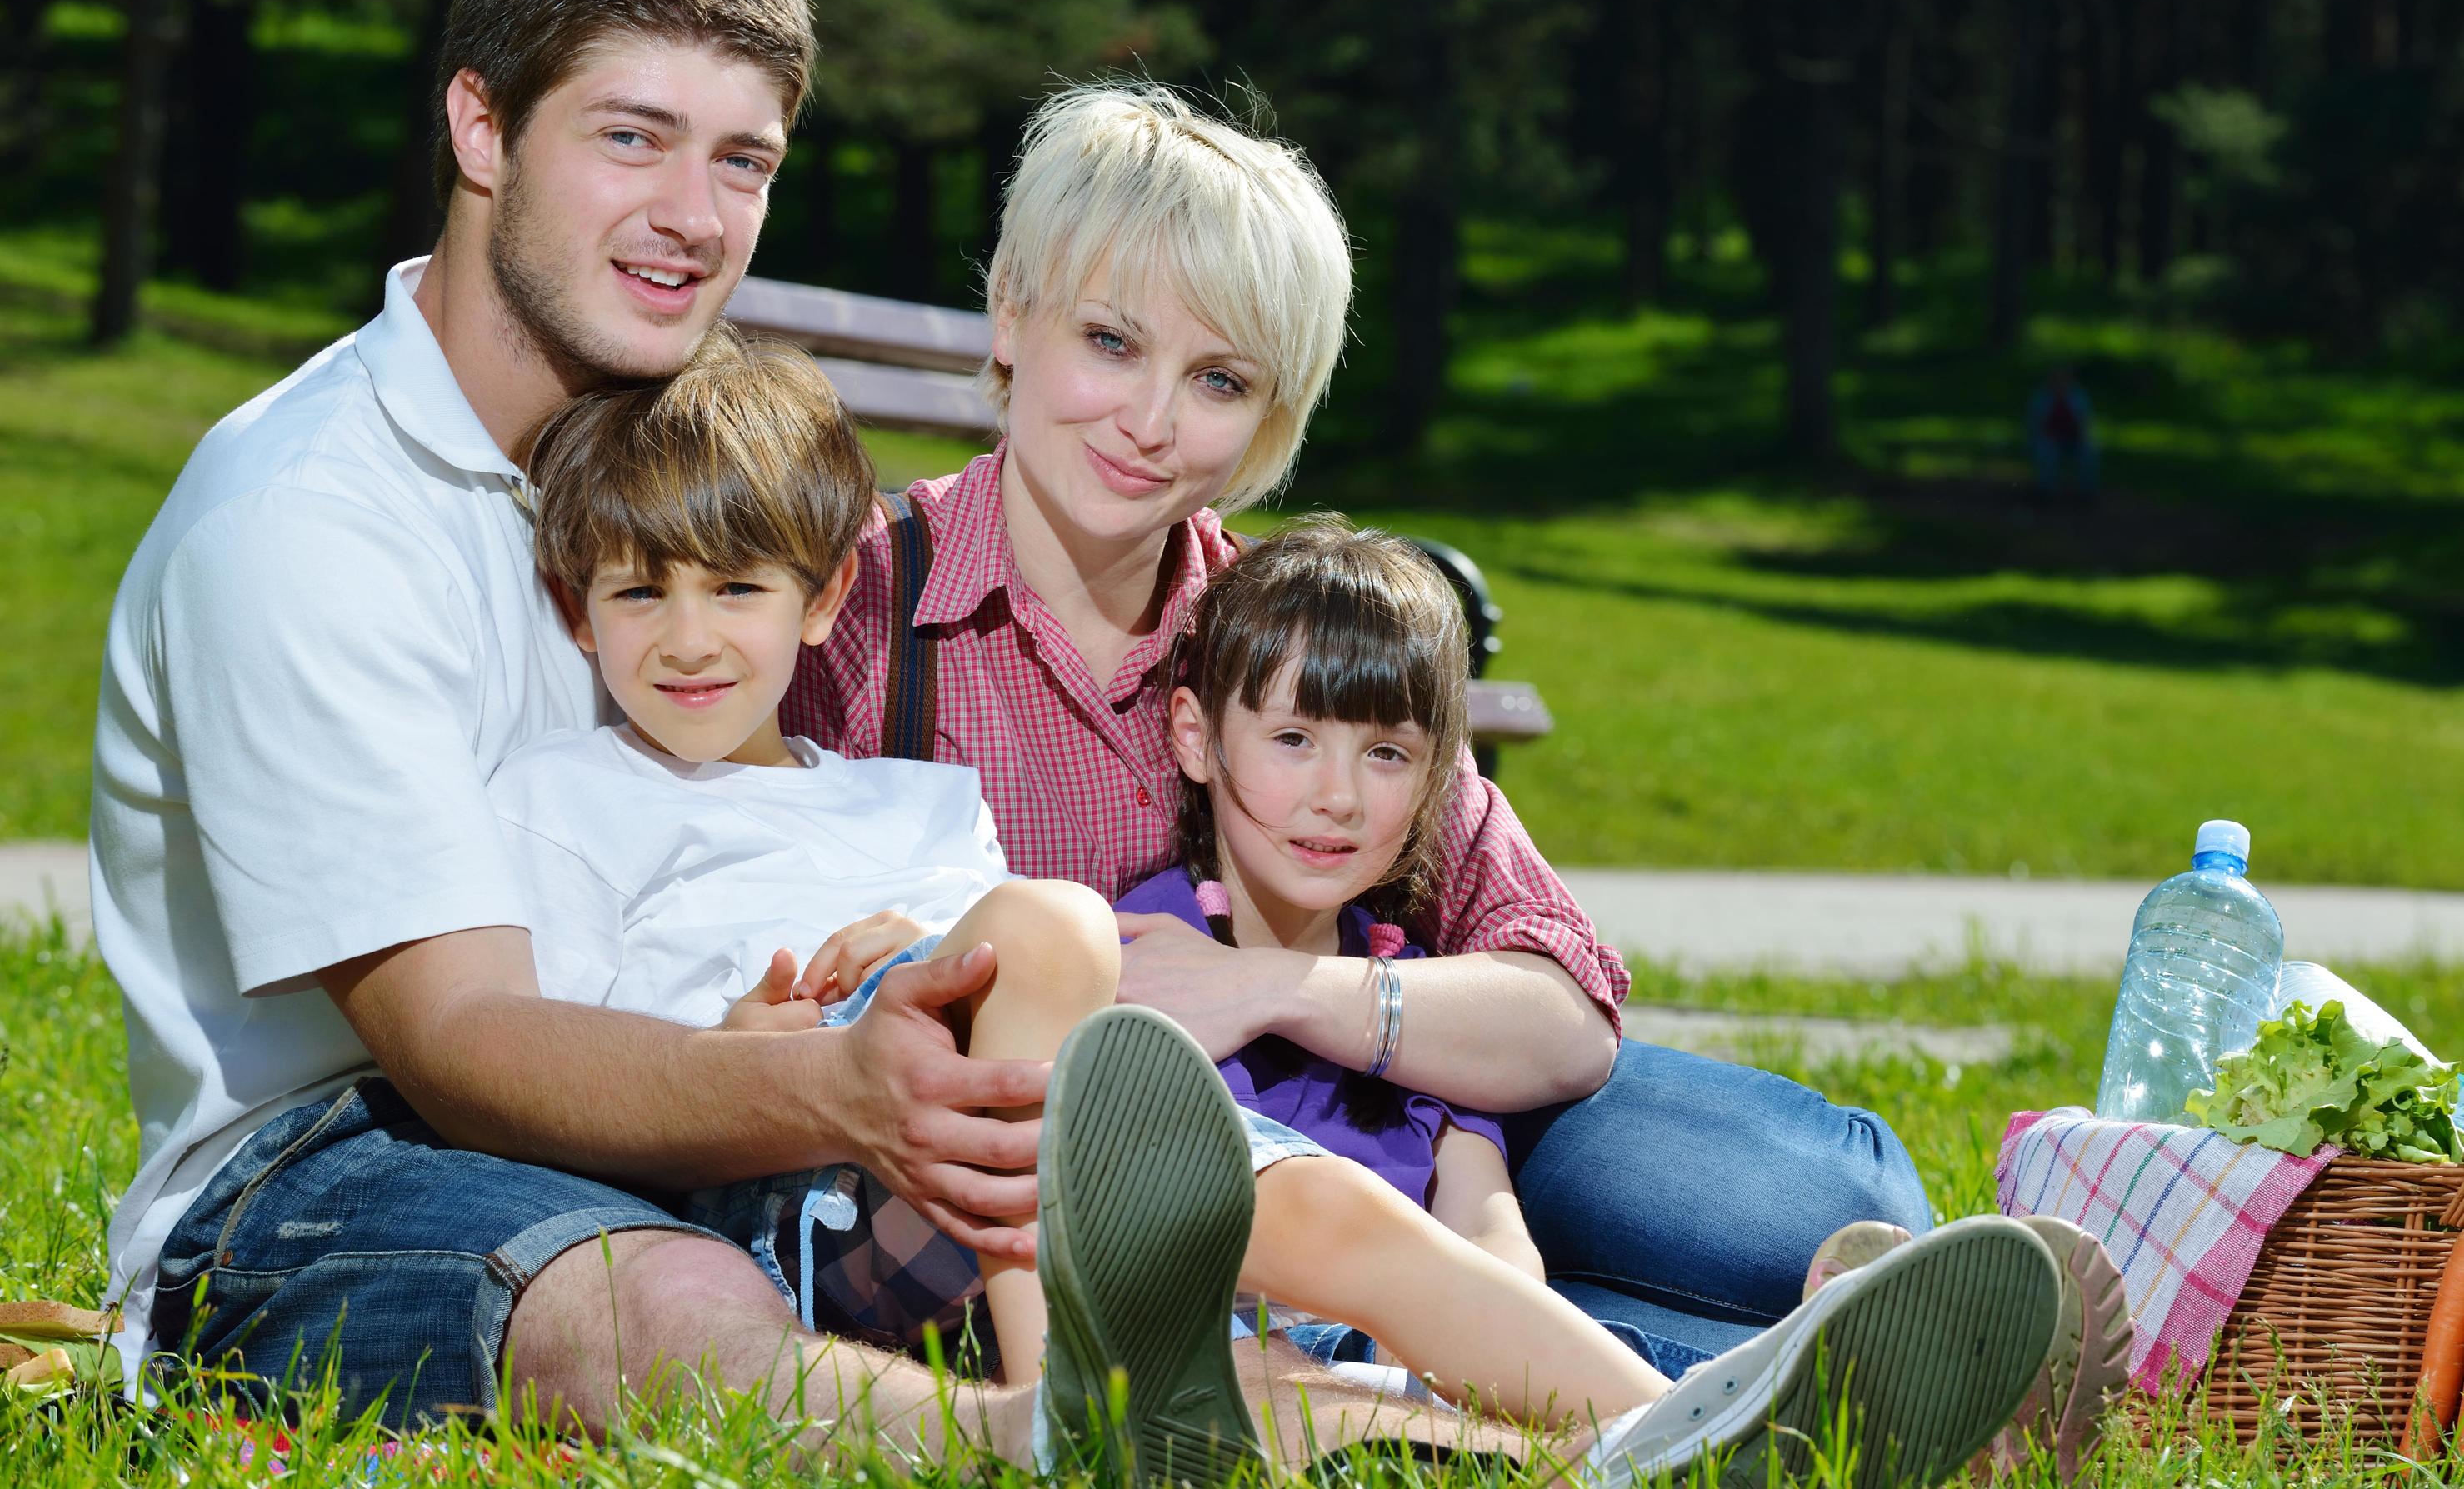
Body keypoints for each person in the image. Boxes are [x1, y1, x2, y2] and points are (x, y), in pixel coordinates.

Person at [89, 0, 1477, 1472]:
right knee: (664, 1304)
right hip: (316, 1171)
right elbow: (458, 1037)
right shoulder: (309, 516)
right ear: (480, 132)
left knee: (1249, 1199)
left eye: (740, 159)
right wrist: (831, 1092)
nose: (693, 212)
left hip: (669, 1101)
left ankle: (1623, 1407)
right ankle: (1041, 1439)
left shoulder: (653, 483)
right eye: (632, 136)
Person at [495, 343, 2069, 1487]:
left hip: (1046, 1139)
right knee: (1052, 928)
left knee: (1307, 1267)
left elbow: (1553, 968)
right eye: (638, 594)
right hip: (838, 1177)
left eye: (733, 592)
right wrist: (742, 1045)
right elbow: (555, 1077)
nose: (689, 638)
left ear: (818, 603)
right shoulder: (565, 806)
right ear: (578, 609)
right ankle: (1066, 1409)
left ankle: (1657, 1441)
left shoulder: (905, 801)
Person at [780, 80, 1935, 1365]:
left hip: (1359, 1114)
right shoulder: (852, 603)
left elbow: (1560, 1007)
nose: (1152, 423)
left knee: (1837, 1201)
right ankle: (1761, 1380)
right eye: (1109, 342)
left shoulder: (1284, 630)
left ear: (1271, 413)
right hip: (1079, 1205)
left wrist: (1269, 988)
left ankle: (1825, 1348)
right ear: (1012, 312)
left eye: (1217, 378)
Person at [2026, 366, 2099, 501]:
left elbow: (2085, 421)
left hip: (2074, 440)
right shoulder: (2042, 398)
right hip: (2050, 439)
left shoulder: (2078, 397)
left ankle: (2086, 493)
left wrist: (2085, 438)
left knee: (2088, 454)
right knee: (2046, 453)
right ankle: (2046, 492)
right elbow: (2036, 424)